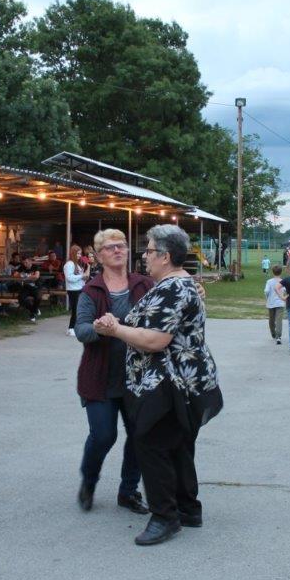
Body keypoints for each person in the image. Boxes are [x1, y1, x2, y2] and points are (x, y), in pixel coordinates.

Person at [94, 224, 222, 546]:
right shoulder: (175, 284)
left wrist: (115, 331)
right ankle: (187, 509)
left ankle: (165, 517)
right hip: (182, 381)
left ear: (165, 256)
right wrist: (119, 322)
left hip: (169, 384)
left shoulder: (173, 288)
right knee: (177, 445)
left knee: (151, 444)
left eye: (149, 250)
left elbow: (155, 340)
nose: (144, 256)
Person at [74, 229, 151, 517]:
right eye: (110, 247)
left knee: (140, 436)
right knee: (103, 436)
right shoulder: (92, 291)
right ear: (98, 256)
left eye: (121, 245)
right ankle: (89, 481)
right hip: (101, 378)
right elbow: (80, 330)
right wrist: (98, 328)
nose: (117, 250)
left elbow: (165, 310)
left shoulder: (144, 284)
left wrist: (195, 291)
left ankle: (128, 491)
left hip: (139, 377)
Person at [63, 244, 88, 337]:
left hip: (79, 289)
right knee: (75, 310)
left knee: (79, 309)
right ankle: (71, 328)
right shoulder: (69, 264)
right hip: (73, 290)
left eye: (80, 254)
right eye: (77, 253)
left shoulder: (76, 264)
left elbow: (80, 277)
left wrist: (83, 277)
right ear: (73, 253)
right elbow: (69, 278)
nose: (79, 256)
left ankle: (74, 327)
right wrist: (81, 276)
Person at [11, 254, 42, 322]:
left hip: (35, 287)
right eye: (24, 263)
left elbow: (36, 276)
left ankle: (32, 313)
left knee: (38, 297)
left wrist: (25, 276)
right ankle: (34, 310)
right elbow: (15, 275)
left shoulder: (35, 267)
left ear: (30, 261)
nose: (25, 264)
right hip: (26, 287)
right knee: (21, 298)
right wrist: (23, 275)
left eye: (26, 262)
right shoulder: (22, 267)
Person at [264, 264, 285, 345]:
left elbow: (266, 291)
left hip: (271, 303)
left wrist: (267, 297)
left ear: (273, 272)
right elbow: (285, 290)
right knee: (279, 320)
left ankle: (273, 333)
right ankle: (278, 336)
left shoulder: (269, 282)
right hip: (280, 302)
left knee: (271, 319)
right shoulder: (283, 281)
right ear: (281, 272)